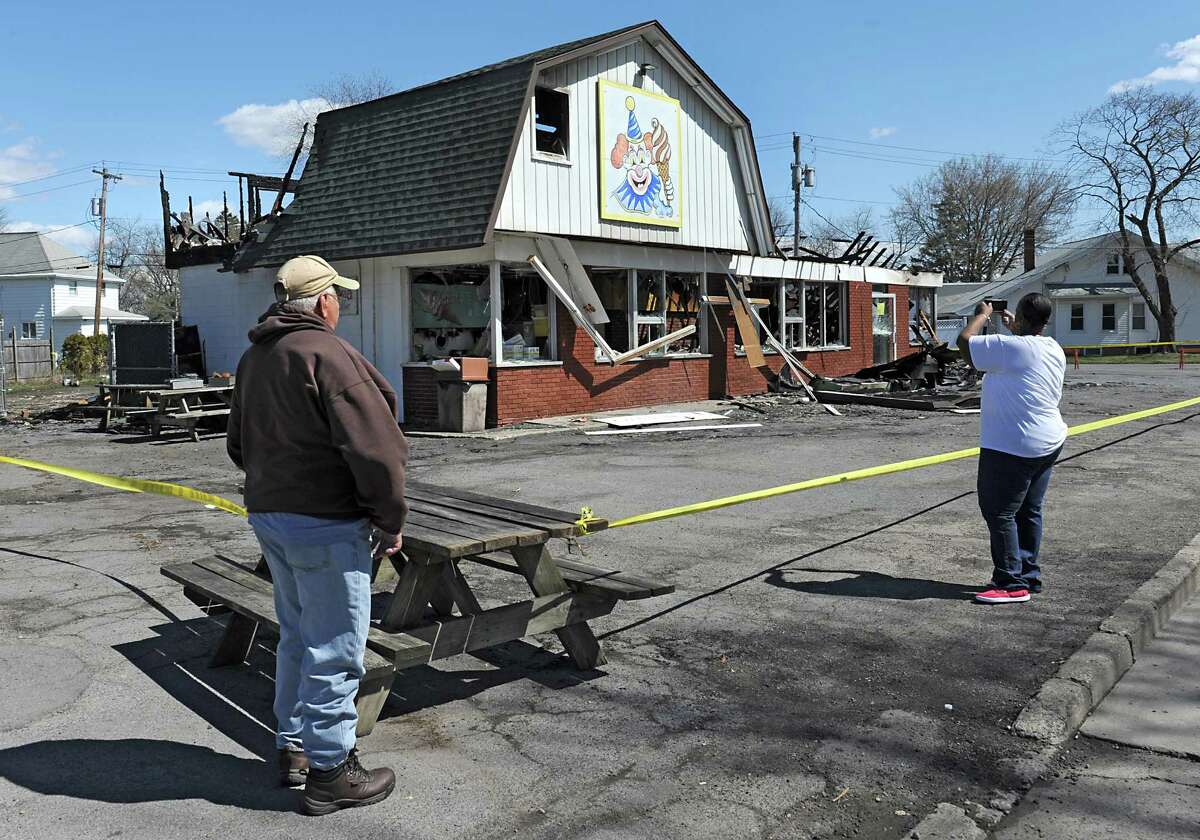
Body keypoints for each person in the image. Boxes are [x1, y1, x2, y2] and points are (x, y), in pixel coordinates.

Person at [227, 254, 408, 814]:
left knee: (300, 636)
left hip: (271, 516)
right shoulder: (327, 353)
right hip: (326, 523)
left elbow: (238, 444)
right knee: (334, 646)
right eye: (340, 296)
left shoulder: (256, 355)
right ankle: (332, 771)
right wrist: (388, 516)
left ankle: (295, 747)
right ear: (323, 301)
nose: (342, 306)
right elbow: (378, 449)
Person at [957, 293, 1066, 605]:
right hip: (1048, 440)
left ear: (1021, 317)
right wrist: (1014, 326)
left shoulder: (1011, 348)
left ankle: (1010, 583)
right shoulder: (1052, 347)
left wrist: (981, 315)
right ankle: (1029, 575)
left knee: (1000, 511)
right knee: (1029, 510)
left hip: (1011, 445)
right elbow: (1021, 348)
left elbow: (964, 343)